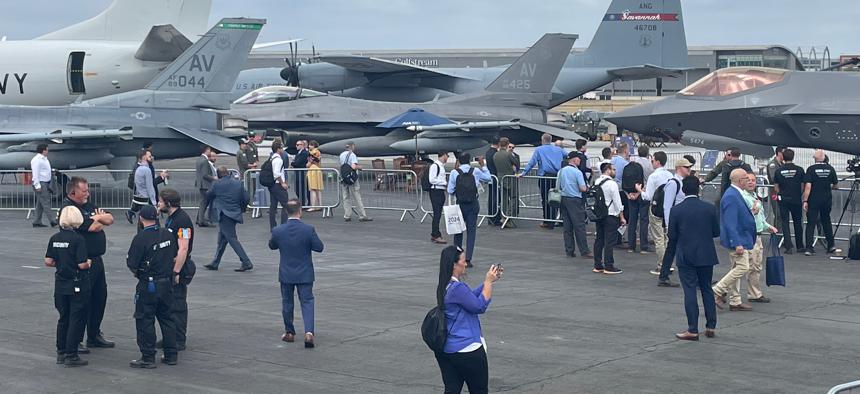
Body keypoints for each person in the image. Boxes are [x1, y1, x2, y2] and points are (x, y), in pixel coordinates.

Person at [434, 245, 502, 394]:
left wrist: (488, 281)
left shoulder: (445, 285)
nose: (465, 264)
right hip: (467, 349)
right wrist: (488, 283)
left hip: (447, 349)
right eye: (463, 261)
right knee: (479, 389)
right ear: (454, 264)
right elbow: (479, 306)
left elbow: (468, 297)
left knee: (452, 389)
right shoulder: (457, 288)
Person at [661, 177, 719, 341]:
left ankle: (693, 328)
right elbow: (716, 232)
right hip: (706, 253)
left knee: (690, 291)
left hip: (686, 254)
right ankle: (711, 325)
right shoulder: (709, 208)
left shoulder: (677, 210)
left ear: (683, 191)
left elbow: (672, 235)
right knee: (707, 289)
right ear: (699, 189)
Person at [61, 176, 115, 353]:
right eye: (84, 191)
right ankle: (75, 340)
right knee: (81, 302)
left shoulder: (88, 206)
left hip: (97, 260)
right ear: (73, 192)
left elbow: (110, 219)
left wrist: (97, 217)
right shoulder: (69, 209)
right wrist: (99, 218)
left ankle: (93, 335)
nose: (88, 194)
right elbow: (93, 227)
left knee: (99, 298)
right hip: (81, 262)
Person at [126, 205, 179, 368]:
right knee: (167, 318)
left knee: (145, 319)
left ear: (141, 218)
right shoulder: (167, 234)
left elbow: (132, 263)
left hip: (149, 284)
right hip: (166, 282)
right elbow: (174, 254)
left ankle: (148, 357)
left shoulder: (140, 238)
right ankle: (171, 354)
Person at [270, 199, 325, 348]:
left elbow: (272, 245)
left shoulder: (278, 230)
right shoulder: (308, 229)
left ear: (286, 212)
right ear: (300, 211)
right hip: (305, 272)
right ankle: (309, 332)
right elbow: (319, 247)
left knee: (287, 302)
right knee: (307, 301)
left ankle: (289, 332)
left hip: (286, 272)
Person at [45, 206, 92, 367]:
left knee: (63, 318)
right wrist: (88, 263)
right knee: (76, 319)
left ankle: (61, 352)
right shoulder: (78, 239)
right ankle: (72, 354)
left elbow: (48, 261)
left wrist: (62, 263)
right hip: (76, 282)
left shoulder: (55, 238)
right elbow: (81, 264)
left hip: (61, 283)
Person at [713, 169, 758, 312]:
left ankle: (735, 300)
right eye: (746, 178)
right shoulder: (732, 196)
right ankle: (718, 289)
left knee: (735, 268)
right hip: (738, 239)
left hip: (739, 237)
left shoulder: (733, 194)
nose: (749, 180)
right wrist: (737, 242)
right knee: (742, 267)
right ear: (740, 181)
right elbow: (730, 222)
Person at [157, 188, 195, 351]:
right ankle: (169, 336)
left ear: (168, 203)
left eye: (160, 201)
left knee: (178, 304)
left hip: (179, 267)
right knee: (168, 304)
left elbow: (183, 248)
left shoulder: (183, 220)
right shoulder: (171, 219)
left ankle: (179, 339)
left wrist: (176, 271)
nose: (158, 204)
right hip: (170, 264)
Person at [204, 167, 253, 272]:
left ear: (218, 175)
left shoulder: (217, 184)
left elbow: (209, 194)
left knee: (231, 238)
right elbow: (246, 197)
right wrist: (241, 208)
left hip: (224, 214)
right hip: (234, 212)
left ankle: (246, 261)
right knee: (223, 239)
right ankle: (215, 262)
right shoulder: (238, 183)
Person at [448, 152, 492, 267]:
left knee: (458, 231)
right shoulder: (475, 171)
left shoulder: (454, 172)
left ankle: (457, 257)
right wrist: (483, 166)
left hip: (460, 204)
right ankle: (468, 259)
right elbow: (488, 178)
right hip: (473, 203)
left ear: (459, 161)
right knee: (471, 231)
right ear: (469, 160)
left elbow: (450, 190)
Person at [741, 172, 778, 304]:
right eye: (748, 180)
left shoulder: (754, 196)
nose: (751, 182)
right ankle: (724, 289)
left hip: (758, 235)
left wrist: (769, 227)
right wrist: (753, 211)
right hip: (749, 236)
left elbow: (760, 218)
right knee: (747, 266)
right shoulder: (743, 197)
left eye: (753, 180)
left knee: (756, 266)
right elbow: (746, 216)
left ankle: (754, 293)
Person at [656, 158, 693, 284]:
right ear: (679, 168)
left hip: (681, 221)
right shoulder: (674, 183)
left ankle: (664, 275)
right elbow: (667, 206)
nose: (689, 169)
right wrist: (669, 225)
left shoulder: (681, 182)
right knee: (675, 249)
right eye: (686, 167)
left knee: (671, 250)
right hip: (676, 222)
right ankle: (664, 275)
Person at [519, 133, 565, 229]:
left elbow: (532, 162)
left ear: (542, 140)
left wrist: (523, 173)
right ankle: (554, 218)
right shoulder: (559, 149)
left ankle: (547, 220)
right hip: (557, 177)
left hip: (545, 177)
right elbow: (569, 157)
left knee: (545, 199)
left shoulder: (539, 150)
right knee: (556, 198)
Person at [804, 149, 839, 255]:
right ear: (824, 158)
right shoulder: (831, 169)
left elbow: (808, 187)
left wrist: (805, 200)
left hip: (814, 199)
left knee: (811, 223)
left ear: (815, 159)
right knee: (826, 222)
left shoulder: (811, 169)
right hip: (826, 199)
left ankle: (809, 248)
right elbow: (836, 185)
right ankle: (831, 245)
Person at [593, 163, 625, 274]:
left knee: (599, 239)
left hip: (600, 214)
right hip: (611, 214)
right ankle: (609, 265)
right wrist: (622, 216)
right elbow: (617, 201)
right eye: (613, 169)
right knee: (609, 241)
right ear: (608, 170)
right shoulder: (612, 184)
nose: (615, 171)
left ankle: (598, 264)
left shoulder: (597, 181)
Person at [773, 148, 805, 254]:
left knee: (785, 223)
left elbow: (776, 187)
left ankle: (788, 246)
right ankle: (800, 246)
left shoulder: (779, 171)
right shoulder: (800, 170)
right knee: (797, 222)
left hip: (783, 199)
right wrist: (798, 194)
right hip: (796, 199)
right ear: (793, 156)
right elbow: (802, 185)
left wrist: (780, 194)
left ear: (783, 157)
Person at [644, 152, 672, 276]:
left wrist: (640, 191)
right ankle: (668, 263)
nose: (652, 163)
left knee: (658, 238)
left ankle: (662, 265)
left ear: (658, 162)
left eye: (653, 160)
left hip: (655, 208)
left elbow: (648, 196)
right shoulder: (670, 175)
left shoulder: (653, 177)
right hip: (668, 208)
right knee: (666, 237)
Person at [558, 152, 590, 258]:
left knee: (567, 227)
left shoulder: (561, 171)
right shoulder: (577, 172)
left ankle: (569, 250)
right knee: (579, 226)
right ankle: (584, 250)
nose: (580, 161)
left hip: (564, 199)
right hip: (575, 199)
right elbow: (582, 188)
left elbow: (558, 186)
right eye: (579, 159)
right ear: (574, 160)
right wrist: (587, 188)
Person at [623, 145, 650, 253]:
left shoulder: (630, 164)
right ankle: (644, 246)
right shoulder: (649, 165)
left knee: (632, 220)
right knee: (643, 220)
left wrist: (630, 193)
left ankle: (631, 246)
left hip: (630, 194)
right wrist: (639, 192)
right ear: (647, 153)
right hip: (642, 193)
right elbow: (648, 182)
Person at [340, 142, 372, 222]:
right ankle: (362, 215)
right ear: (352, 147)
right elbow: (353, 166)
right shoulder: (352, 155)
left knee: (345, 197)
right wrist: (359, 167)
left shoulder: (341, 155)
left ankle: (347, 215)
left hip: (344, 177)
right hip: (352, 178)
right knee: (356, 196)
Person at [493, 138, 519, 227]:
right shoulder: (508, 154)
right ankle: (508, 216)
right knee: (513, 197)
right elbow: (516, 163)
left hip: (500, 178)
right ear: (507, 144)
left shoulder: (495, 154)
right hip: (509, 177)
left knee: (503, 199)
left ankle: (503, 216)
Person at [31, 143, 57, 228]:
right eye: (47, 149)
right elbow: (35, 174)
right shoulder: (37, 160)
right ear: (43, 150)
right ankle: (52, 221)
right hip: (41, 183)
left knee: (40, 203)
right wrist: (37, 186)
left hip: (45, 182)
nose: (48, 151)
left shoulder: (44, 159)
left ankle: (37, 221)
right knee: (46, 202)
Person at [128, 150, 157, 224]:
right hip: (146, 199)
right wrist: (154, 202)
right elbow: (149, 186)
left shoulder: (139, 168)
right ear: (144, 157)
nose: (151, 158)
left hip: (140, 198)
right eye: (149, 156)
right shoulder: (146, 170)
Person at [268, 140, 290, 229]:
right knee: (285, 205)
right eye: (281, 147)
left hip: (272, 185)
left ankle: (273, 226)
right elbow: (277, 174)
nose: (282, 149)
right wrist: (282, 183)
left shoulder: (272, 157)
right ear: (278, 149)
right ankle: (284, 225)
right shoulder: (278, 160)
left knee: (273, 206)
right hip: (278, 185)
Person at [428, 151, 449, 244]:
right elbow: (431, 179)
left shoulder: (440, 166)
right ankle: (435, 234)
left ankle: (435, 233)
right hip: (436, 191)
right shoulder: (435, 166)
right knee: (437, 214)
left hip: (440, 191)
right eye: (447, 155)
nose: (447, 158)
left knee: (438, 214)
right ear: (443, 155)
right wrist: (444, 183)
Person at [194, 146, 216, 227]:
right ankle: (201, 220)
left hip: (201, 184)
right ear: (207, 150)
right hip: (205, 185)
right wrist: (214, 178)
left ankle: (199, 219)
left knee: (203, 202)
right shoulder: (205, 161)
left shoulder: (199, 159)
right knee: (204, 202)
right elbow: (205, 174)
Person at [767, 146, 787, 232]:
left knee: (783, 214)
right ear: (779, 153)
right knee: (778, 214)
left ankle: (781, 234)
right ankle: (777, 235)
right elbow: (773, 179)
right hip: (775, 192)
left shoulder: (783, 164)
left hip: (783, 192)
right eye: (784, 152)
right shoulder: (772, 164)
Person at [485, 136, 501, 226]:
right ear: (498, 143)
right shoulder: (495, 154)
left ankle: (491, 216)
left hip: (490, 176)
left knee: (491, 197)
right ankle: (495, 217)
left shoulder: (488, 152)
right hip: (495, 177)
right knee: (495, 198)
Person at [306, 141, 324, 212]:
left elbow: (308, 164)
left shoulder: (312, 153)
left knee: (312, 189)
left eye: (310, 145)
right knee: (318, 189)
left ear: (313, 145)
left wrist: (307, 164)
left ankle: (313, 206)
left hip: (313, 170)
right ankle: (320, 205)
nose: (309, 146)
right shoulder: (318, 152)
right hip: (318, 169)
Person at [292, 140, 310, 206]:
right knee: (298, 189)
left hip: (302, 174)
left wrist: (293, 163)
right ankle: (302, 203)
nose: (296, 146)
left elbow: (297, 163)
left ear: (302, 145)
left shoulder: (304, 153)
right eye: (296, 144)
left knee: (301, 189)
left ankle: (303, 203)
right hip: (299, 174)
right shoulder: (299, 153)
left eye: (298, 144)